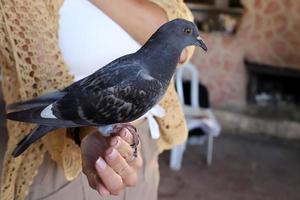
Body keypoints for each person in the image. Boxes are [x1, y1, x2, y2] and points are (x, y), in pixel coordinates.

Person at [0, 0, 195, 199]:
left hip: (140, 144)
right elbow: (41, 78)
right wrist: (91, 131)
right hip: (62, 163)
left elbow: (182, 47)